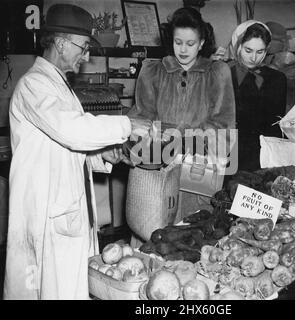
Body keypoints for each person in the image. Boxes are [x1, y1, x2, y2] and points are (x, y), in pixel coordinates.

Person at [3, 4, 150, 300]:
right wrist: (126, 124)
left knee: (67, 285)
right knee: (51, 287)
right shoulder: (34, 84)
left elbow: (64, 146)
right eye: (82, 47)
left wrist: (100, 156)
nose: (86, 56)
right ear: (60, 43)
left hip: (63, 204)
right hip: (47, 209)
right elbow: (70, 130)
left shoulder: (59, 85)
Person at [127, 7, 236, 240]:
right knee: (154, 233)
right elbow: (142, 118)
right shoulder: (153, 71)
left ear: (202, 42)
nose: (183, 50)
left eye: (190, 43)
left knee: (191, 235)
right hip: (160, 167)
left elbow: (224, 124)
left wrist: (183, 142)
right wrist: (150, 141)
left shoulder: (217, 72)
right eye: (178, 42)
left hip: (199, 168)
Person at [228, 20, 287, 172]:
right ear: (238, 46)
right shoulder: (223, 74)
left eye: (260, 52)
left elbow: (276, 124)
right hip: (229, 154)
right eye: (248, 50)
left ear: (266, 50)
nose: (254, 58)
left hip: (261, 156)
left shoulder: (277, 79)